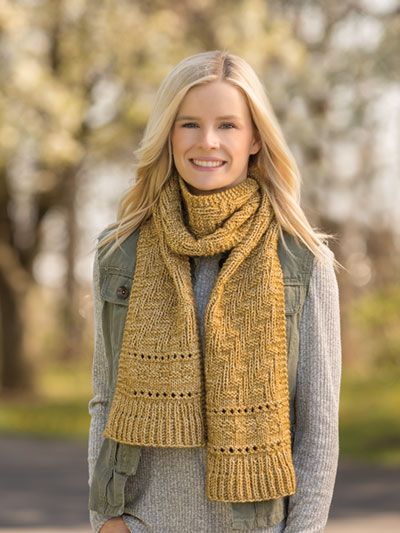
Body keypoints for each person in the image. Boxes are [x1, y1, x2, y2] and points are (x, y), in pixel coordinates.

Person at [87, 50, 342, 533]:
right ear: (168, 133)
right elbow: (104, 398)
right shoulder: (120, 250)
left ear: (254, 140)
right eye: (189, 124)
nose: (207, 142)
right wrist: (105, 519)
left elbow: (318, 424)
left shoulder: (303, 259)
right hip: (143, 522)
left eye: (227, 125)